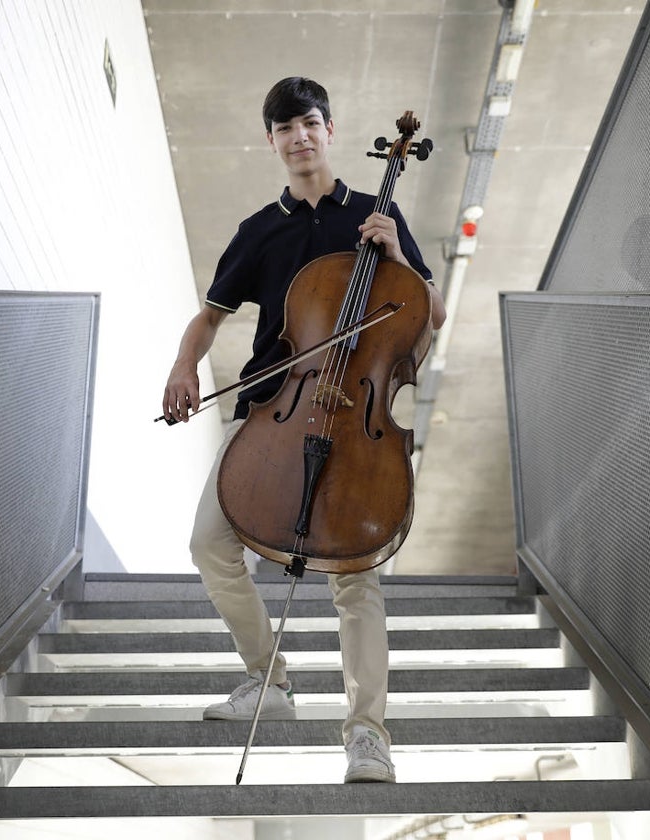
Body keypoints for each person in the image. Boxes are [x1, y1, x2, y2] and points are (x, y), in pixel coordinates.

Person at [161, 76, 446, 784]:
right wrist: (183, 367)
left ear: (328, 130)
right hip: (271, 408)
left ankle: (367, 735)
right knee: (209, 543)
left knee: (356, 576)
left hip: (355, 419)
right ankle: (269, 678)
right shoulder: (261, 229)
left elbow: (427, 316)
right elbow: (211, 315)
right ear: (272, 141)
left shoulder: (375, 213)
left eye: (309, 123)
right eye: (284, 128)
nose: (298, 137)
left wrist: (400, 256)